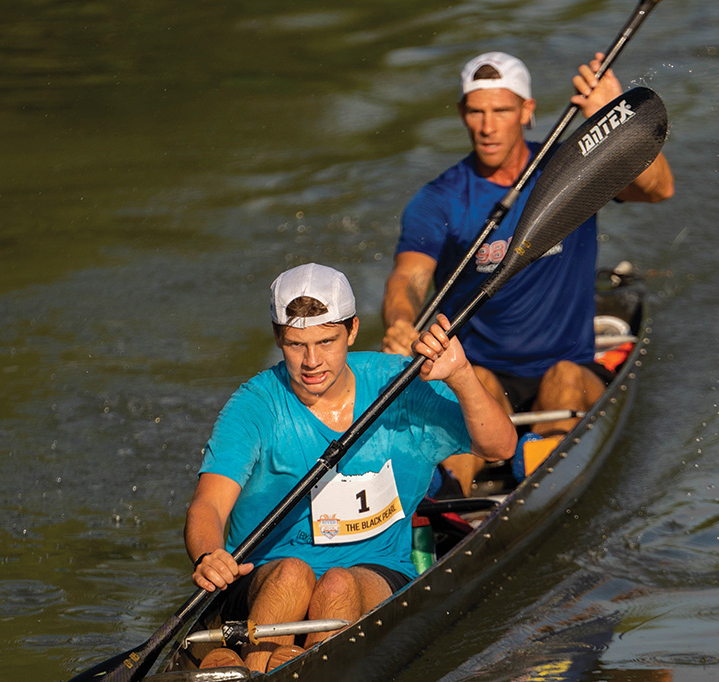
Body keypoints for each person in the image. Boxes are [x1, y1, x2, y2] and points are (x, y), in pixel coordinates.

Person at [184, 263, 516, 673]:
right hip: (263, 581)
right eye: (295, 345)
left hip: (375, 572)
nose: (311, 361)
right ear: (277, 338)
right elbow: (208, 507)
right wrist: (209, 555)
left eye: (326, 341)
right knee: (292, 574)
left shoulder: (399, 385)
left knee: (337, 581)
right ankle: (270, 666)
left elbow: (500, 447)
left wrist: (462, 375)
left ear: (353, 331)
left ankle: (257, 665)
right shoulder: (255, 405)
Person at [381, 51, 674, 493]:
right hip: (485, 375)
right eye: (476, 112)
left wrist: (616, 122)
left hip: (568, 364)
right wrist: (401, 320)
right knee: (471, 385)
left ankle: (539, 467)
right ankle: (444, 500)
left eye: (501, 111)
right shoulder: (440, 199)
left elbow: (659, 190)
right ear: (463, 114)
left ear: (527, 111)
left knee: (563, 379)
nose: (488, 126)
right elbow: (409, 277)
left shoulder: (571, 169)